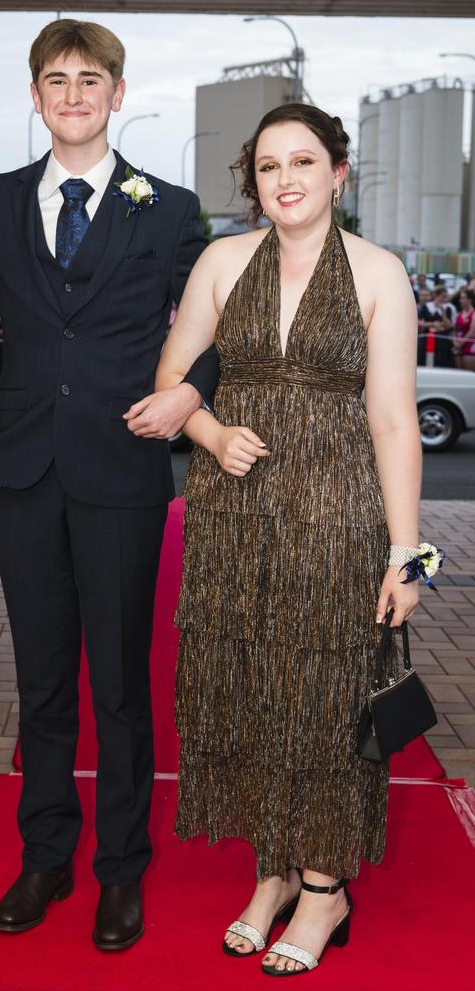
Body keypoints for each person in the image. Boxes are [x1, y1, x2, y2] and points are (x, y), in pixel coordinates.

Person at [0, 18, 213, 951]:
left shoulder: (168, 208)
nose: (73, 95)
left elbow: (216, 329)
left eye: (90, 80)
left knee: (122, 687)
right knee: (44, 677)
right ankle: (46, 855)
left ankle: (120, 873)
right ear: (36, 96)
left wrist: (187, 396)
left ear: (117, 94)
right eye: (56, 80)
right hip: (20, 471)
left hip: (122, 468)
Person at [155, 103, 422, 976]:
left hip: (340, 523)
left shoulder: (382, 273)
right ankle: (269, 872)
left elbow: (392, 422)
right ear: (253, 182)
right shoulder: (222, 262)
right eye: (268, 167)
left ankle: (322, 888)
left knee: (328, 708)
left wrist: (407, 556)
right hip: (236, 517)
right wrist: (211, 434)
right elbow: (174, 379)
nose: (287, 179)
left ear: (339, 173)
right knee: (248, 698)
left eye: (303, 161)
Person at [418, 285, 453, 367]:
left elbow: (448, 326)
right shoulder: (427, 306)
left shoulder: (448, 308)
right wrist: (432, 324)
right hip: (427, 337)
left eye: (445, 297)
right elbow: (419, 322)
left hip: (442, 339)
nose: (443, 299)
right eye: (442, 296)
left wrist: (443, 313)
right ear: (436, 295)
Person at [453, 288, 475, 371]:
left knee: (468, 373)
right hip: (458, 345)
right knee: (459, 373)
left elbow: (471, 331)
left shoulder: (473, 314)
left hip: (468, 345)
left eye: (463, 298)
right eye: (460, 298)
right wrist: (454, 342)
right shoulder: (459, 314)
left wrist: (460, 344)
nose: (460, 300)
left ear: (469, 300)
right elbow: (454, 330)